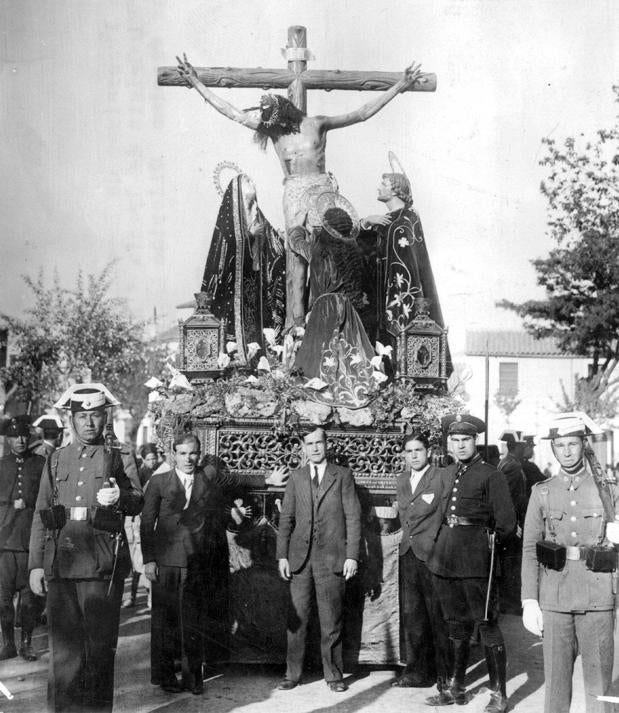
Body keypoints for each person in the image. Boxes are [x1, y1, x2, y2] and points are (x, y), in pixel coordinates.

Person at [176, 54, 426, 329]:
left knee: (333, 255)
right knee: (296, 261)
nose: (266, 122)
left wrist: (400, 85)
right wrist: (196, 83)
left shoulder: (316, 124)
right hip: (294, 191)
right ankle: (295, 328)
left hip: (321, 190)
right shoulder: (273, 132)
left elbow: (361, 113)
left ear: (284, 111)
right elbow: (232, 112)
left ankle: (335, 321)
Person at [29, 383, 143, 713]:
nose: (89, 423)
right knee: (64, 656)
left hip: (101, 569)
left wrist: (121, 498)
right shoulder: (55, 460)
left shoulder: (119, 457)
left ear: (105, 417)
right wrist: (36, 564)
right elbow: (41, 513)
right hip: (61, 567)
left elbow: (138, 500)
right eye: (82, 417)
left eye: (95, 416)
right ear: (72, 419)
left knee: (98, 653)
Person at [521, 413, 619, 713]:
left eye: (572, 444)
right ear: (553, 449)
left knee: (601, 688)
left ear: (583, 445)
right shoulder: (542, 492)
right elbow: (529, 549)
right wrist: (530, 600)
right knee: (556, 688)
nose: (566, 451)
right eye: (560, 445)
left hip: (598, 596)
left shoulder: (608, 490)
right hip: (555, 598)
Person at [426, 414, 516, 713]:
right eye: (455, 440)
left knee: (487, 625)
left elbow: (506, 524)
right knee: (455, 625)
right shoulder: (448, 472)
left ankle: (499, 694)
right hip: (446, 559)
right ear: (449, 442)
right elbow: (440, 513)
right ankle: (456, 687)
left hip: (478, 561)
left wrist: (485, 549)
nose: (460, 445)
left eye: (466, 440)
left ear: (475, 441)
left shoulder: (492, 475)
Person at [140, 432, 233, 695]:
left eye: (193, 453)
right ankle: (165, 675)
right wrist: (149, 560)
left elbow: (237, 481)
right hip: (166, 560)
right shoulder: (159, 482)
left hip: (196, 559)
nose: (188, 458)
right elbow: (147, 524)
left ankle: (194, 679)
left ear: (199, 453)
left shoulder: (209, 477)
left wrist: (268, 480)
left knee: (193, 619)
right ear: (173, 455)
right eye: (182, 453)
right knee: (164, 619)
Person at [276, 426, 361, 692]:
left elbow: (353, 517)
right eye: (309, 443)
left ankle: (334, 676)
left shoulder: (343, 476)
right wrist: (282, 555)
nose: (314, 448)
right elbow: (286, 519)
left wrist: (352, 556)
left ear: (327, 445)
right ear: (303, 447)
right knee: (297, 618)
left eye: (319, 443)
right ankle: (292, 674)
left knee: (331, 620)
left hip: (332, 558)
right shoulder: (296, 477)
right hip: (300, 559)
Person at [290, 198, 378, 407]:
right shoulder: (354, 251)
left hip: (325, 307)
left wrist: (298, 225)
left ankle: (324, 391)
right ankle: (349, 390)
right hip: (347, 307)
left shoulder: (319, 249)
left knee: (321, 352)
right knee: (348, 350)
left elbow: (295, 242)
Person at [358, 157, 448, 352]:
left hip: (401, 299)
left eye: (384, 184)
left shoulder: (408, 219)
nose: (378, 187)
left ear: (395, 190)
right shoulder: (384, 221)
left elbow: (412, 265)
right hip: (380, 300)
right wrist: (366, 221)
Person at [392, 432, 452, 693]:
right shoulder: (402, 479)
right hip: (408, 553)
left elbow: (448, 514)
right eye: (409, 451)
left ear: (427, 452)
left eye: (418, 450)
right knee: (412, 615)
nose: (413, 455)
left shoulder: (440, 477)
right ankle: (417, 672)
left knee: (437, 616)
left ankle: (444, 673)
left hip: (432, 555)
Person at [0, 415, 45, 661]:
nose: (20, 440)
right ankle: (7, 643)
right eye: (14, 436)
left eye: (24, 436)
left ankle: (27, 643)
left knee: (30, 598)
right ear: (7, 439)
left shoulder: (39, 464)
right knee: (3, 598)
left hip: (30, 541)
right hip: (4, 543)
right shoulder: (1, 465)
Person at [497, 430, 528, 615]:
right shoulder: (511, 466)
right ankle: (511, 604)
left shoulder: (511, 463)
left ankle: (511, 602)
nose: (525, 449)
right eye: (523, 446)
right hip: (513, 522)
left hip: (514, 519)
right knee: (512, 563)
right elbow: (507, 497)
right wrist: (513, 523)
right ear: (515, 446)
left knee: (512, 563)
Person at [520, 434, 547, 501]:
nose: (532, 451)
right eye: (531, 447)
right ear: (524, 448)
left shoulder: (521, 463)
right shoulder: (529, 466)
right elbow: (543, 480)